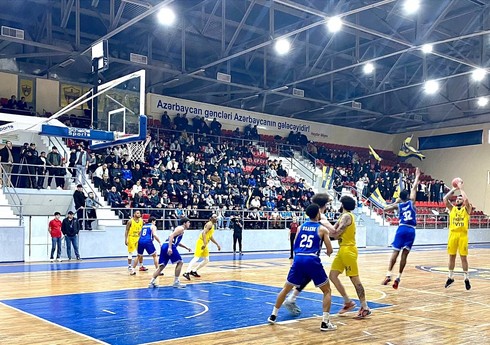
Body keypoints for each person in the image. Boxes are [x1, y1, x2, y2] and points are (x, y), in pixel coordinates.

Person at [267, 204, 336, 332]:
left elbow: (295, 243)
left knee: (286, 288)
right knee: (327, 290)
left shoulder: (300, 227)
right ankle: (325, 322)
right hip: (311, 260)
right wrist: (328, 252)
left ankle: (273, 315)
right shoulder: (322, 229)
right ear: (318, 214)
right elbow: (330, 249)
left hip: (298, 259)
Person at [329, 195, 371, 318]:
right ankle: (348, 302)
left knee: (355, 279)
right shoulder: (343, 216)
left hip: (348, 250)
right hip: (342, 250)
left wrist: (322, 231)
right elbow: (333, 231)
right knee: (333, 276)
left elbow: (335, 234)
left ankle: (365, 307)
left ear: (342, 205)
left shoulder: (347, 216)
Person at [382, 167, 421, 289]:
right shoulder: (411, 202)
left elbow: (385, 208)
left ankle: (388, 274)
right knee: (404, 255)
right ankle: (398, 277)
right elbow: (414, 187)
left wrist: (396, 202)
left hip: (401, 228)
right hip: (411, 230)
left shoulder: (398, 206)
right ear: (408, 196)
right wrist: (417, 176)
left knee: (395, 252)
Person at [443, 180, 472, 290]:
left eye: (459, 199)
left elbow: (467, 200)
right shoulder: (452, 209)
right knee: (452, 257)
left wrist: (460, 189)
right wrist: (454, 189)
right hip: (453, 234)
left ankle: (466, 278)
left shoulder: (466, 209)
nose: (458, 199)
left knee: (463, 258)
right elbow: (445, 199)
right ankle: (450, 277)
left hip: (462, 235)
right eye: (457, 198)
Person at [149, 217, 192, 288]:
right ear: (184, 223)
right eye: (188, 222)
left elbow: (176, 241)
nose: (189, 224)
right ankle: (176, 282)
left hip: (165, 245)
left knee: (162, 266)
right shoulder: (180, 228)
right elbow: (171, 236)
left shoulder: (179, 229)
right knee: (180, 262)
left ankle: (151, 282)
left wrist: (186, 248)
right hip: (169, 245)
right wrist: (169, 247)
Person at [182, 214, 221, 280]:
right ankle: (186, 272)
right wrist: (204, 243)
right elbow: (203, 233)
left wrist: (217, 244)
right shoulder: (209, 224)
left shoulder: (213, 225)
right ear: (211, 218)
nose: (216, 218)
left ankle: (194, 271)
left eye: (216, 217)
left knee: (206, 260)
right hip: (201, 242)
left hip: (205, 243)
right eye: (214, 217)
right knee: (196, 258)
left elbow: (210, 236)